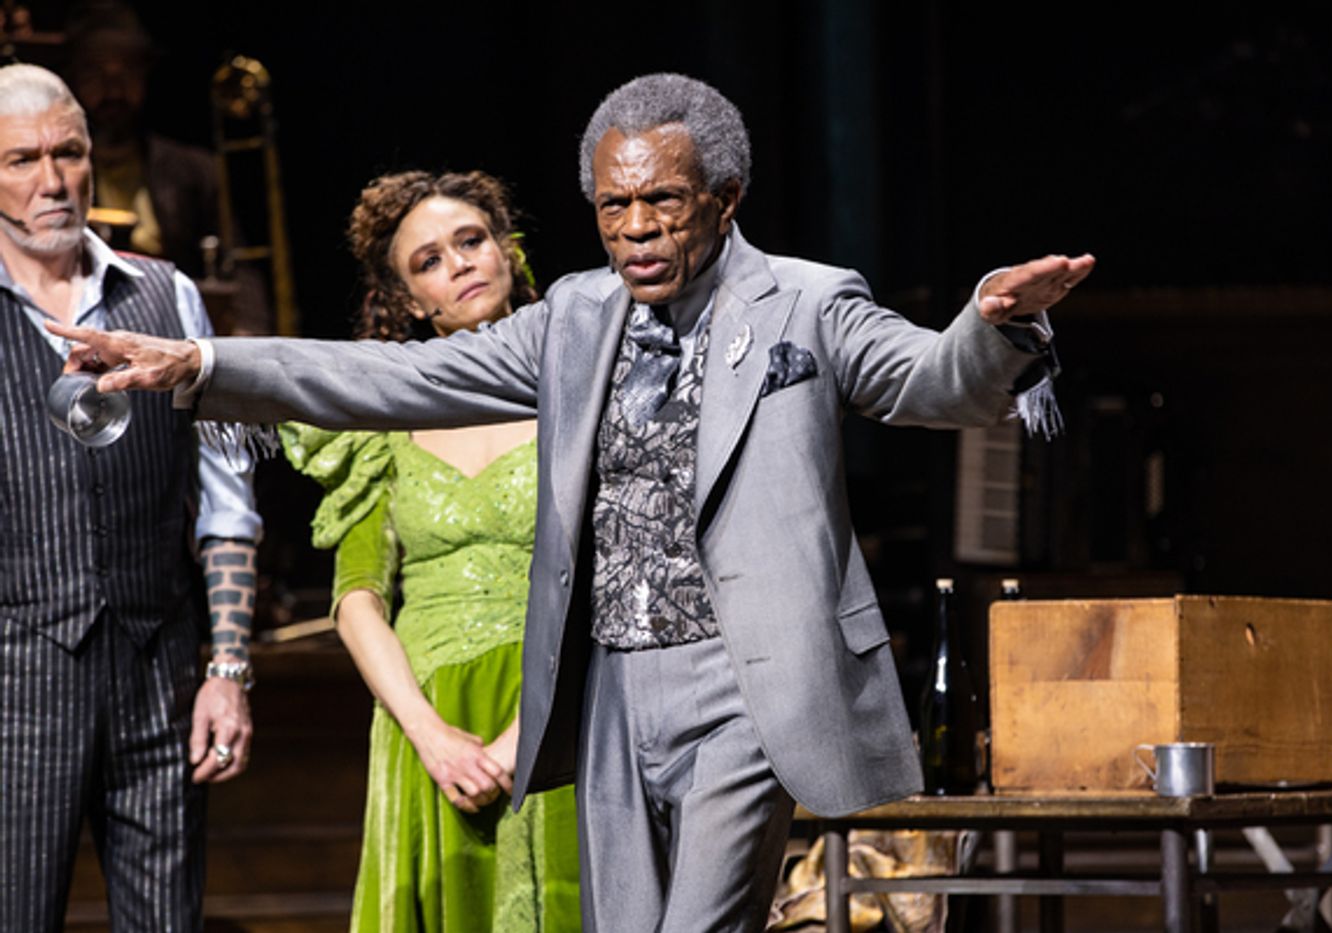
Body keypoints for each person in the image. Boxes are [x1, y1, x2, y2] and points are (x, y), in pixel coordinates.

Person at [54, 72, 1094, 932]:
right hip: (604, 696)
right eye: (612, 208)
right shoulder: (573, 319)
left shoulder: (806, 302)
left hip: (742, 684)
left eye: (662, 204)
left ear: (724, 199)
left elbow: (926, 381)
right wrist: (196, 360)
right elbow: (389, 383)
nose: (634, 230)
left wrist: (990, 325)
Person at [279, 170, 579, 931]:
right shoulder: (383, 420)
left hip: (561, 709)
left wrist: (527, 736)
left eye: (472, 240)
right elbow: (356, 596)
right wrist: (432, 734)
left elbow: (614, 571)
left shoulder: (580, 392)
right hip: (433, 722)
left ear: (507, 251)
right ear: (411, 300)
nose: (461, 263)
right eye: (430, 260)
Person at [0, 63, 260, 932]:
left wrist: (226, 669)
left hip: (158, 680)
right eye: (20, 160)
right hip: (16, 683)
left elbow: (227, 495)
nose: (51, 180)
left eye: (67, 152)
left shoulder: (166, 295)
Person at [62, 0, 274, 336]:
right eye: (95, 74)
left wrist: (251, 338)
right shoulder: (54, 175)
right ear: (72, 78)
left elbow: (239, 267)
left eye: (126, 72)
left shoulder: (193, 170)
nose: (113, 90)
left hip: (176, 330)